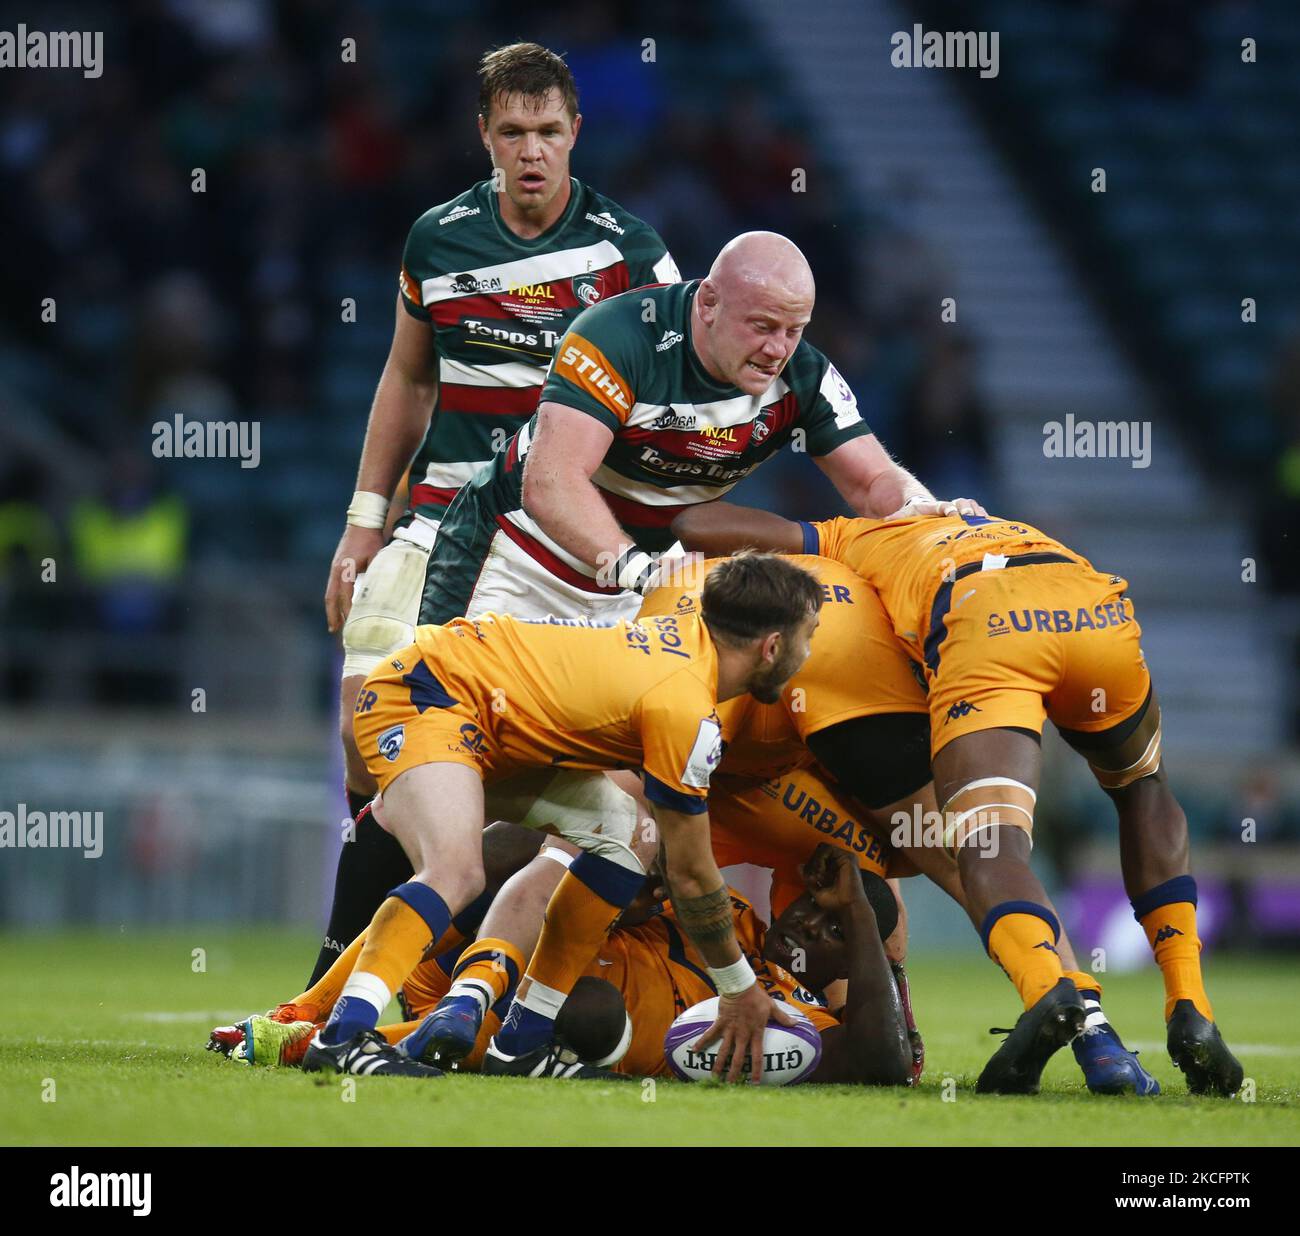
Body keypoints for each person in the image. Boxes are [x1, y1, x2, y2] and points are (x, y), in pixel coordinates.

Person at [310, 42, 678, 987]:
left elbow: (664, 404)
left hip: (554, 550)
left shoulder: (630, 254)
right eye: (512, 131)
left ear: (575, 134)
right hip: (438, 522)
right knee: (370, 734)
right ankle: (338, 964)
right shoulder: (438, 239)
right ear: (484, 134)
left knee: (519, 771)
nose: (531, 151)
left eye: (549, 131)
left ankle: (458, 970)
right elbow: (406, 376)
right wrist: (362, 520)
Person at [668, 501, 1243, 1096]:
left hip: (962, 632)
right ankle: (1186, 999)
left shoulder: (863, 537)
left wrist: (640, 556)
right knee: (1142, 788)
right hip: (1091, 608)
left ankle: (1063, 1007)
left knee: (979, 852)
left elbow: (693, 525)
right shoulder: (1000, 528)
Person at [301, 552, 822, 1080]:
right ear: (773, 646)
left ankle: (522, 1040)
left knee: (627, 833)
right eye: (809, 636)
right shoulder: (685, 705)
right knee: (457, 871)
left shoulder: (682, 648)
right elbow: (690, 875)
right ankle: (343, 1037)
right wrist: (738, 987)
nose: (809, 653)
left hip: (492, 723)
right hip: (430, 693)